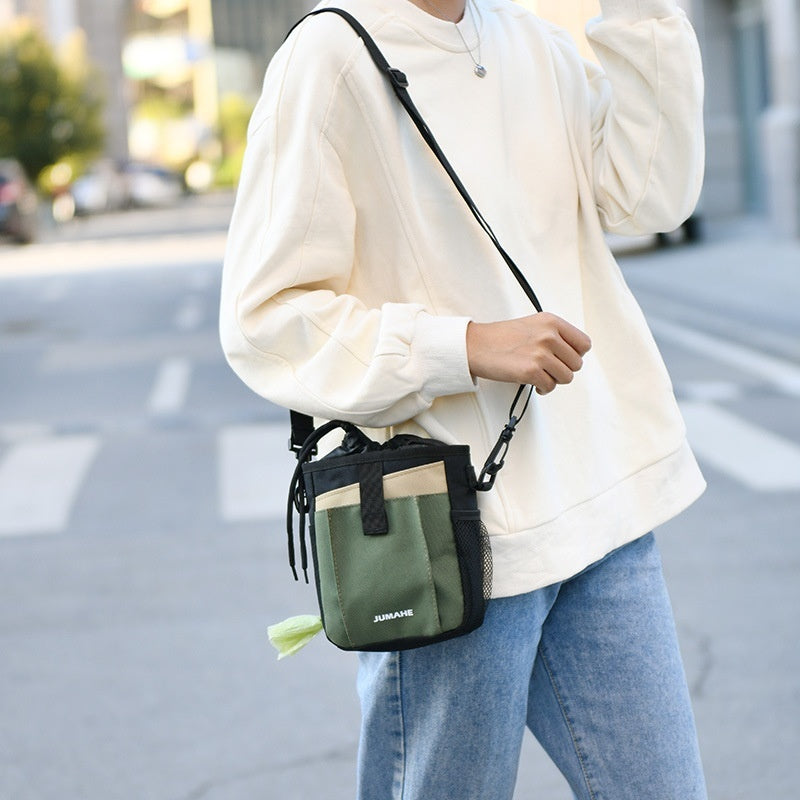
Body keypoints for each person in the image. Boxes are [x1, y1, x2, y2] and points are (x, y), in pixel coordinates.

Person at [219, 0, 708, 797]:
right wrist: (464, 345)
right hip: (446, 533)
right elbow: (266, 319)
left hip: (599, 513)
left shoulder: (533, 44)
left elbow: (651, 199)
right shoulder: (330, 57)